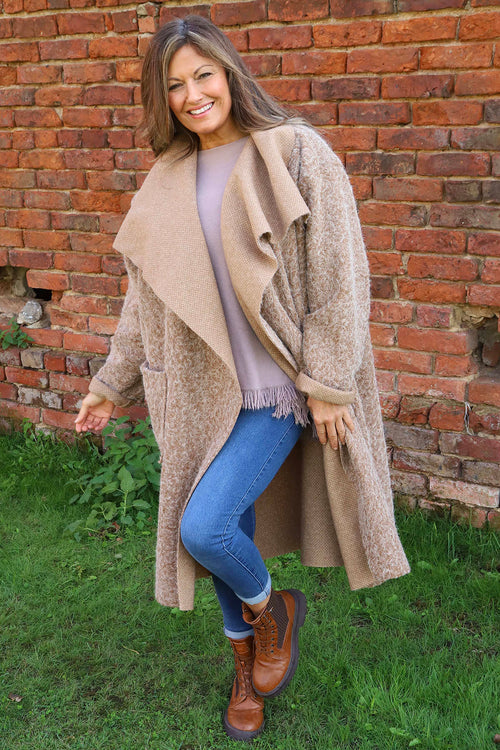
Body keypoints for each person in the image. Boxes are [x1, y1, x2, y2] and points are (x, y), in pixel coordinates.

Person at [75, 15, 410, 742]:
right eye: (175, 85)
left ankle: (274, 612)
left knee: (204, 525)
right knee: (229, 524)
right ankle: (248, 663)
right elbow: (145, 300)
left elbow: (340, 276)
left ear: (228, 73)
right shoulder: (166, 180)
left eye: (203, 75)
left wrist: (327, 384)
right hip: (201, 395)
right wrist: (110, 383)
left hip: (278, 391)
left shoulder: (295, 151)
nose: (193, 94)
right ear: (161, 98)